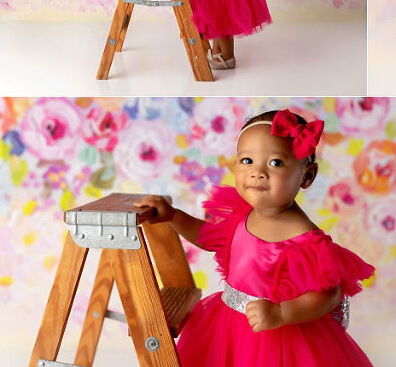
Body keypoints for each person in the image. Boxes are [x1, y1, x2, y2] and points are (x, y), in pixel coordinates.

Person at [135, 109, 374, 366]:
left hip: (277, 334)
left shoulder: (305, 238)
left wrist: (282, 312)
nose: (257, 173)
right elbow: (207, 237)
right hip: (226, 324)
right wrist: (173, 216)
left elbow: (328, 294)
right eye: (247, 161)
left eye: (276, 163)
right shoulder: (241, 213)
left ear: (307, 176)